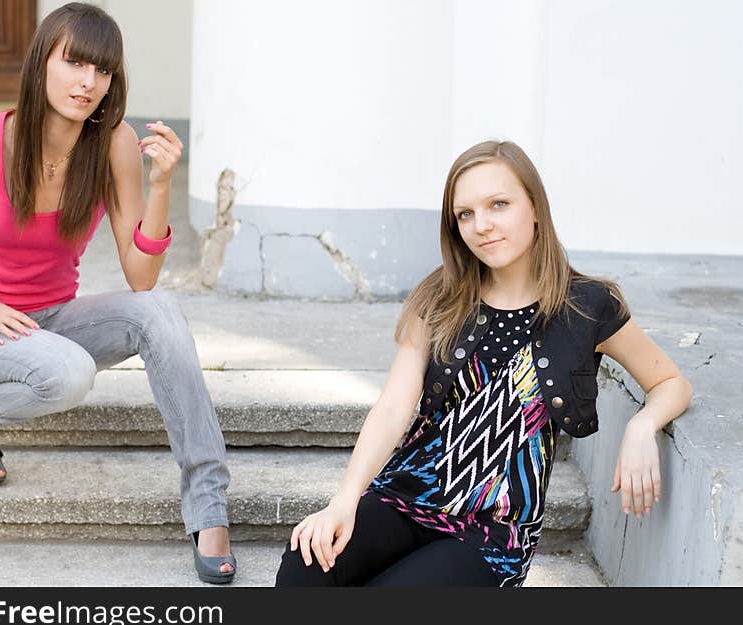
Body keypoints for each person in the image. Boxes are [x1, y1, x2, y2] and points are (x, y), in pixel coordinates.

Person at [0, 3, 236, 585]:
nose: (87, 82)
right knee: (69, 373)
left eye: (101, 70)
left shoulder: (112, 145)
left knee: (158, 311)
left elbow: (141, 278)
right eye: (74, 62)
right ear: (42, 63)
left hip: (48, 322)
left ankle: (208, 504)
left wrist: (160, 187)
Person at [275, 140, 693, 586]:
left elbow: (670, 381)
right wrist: (344, 501)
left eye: (499, 204)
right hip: (405, 496)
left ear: (535, 207)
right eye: (466, 214)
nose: (482, 226)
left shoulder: (588, 306)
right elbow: (394, 407)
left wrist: (643, 425)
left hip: (492, 535)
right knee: (305, 564)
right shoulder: (439, 297)